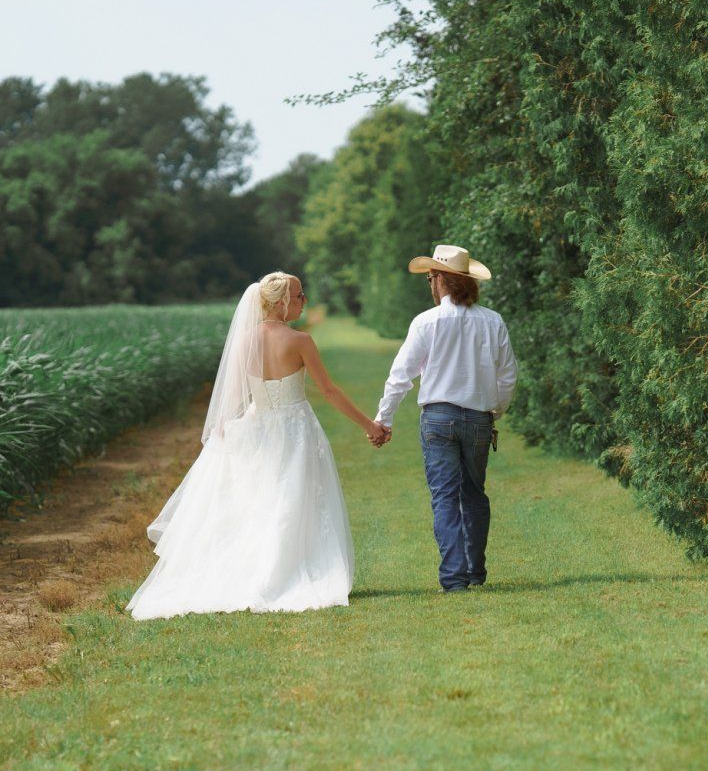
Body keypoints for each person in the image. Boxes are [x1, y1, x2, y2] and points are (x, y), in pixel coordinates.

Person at [126, 272, 384, 619]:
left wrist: (227, 433)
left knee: (262, 500)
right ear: (281, 302)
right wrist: (370, 425)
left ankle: (258, 571)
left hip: (257, 428)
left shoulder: (244, 341)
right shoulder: (300, 341)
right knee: (291, 499)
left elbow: (234, 396)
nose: (303, 301)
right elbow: (329, 391)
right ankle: (287, 571)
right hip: (295, 429)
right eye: (299, 295)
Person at [372, 245, 518, 593]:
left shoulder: (427, 321)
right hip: (479, 419)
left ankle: (454, 578)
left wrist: (384, 419)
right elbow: (508, 376)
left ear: (441, 280)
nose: (430, 284)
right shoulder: (492, 320)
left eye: (431, 278)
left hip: (438, 418)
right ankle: (475, 571)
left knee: (445, 497)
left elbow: (401, 375)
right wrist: (493, 409)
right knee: (473, 495)